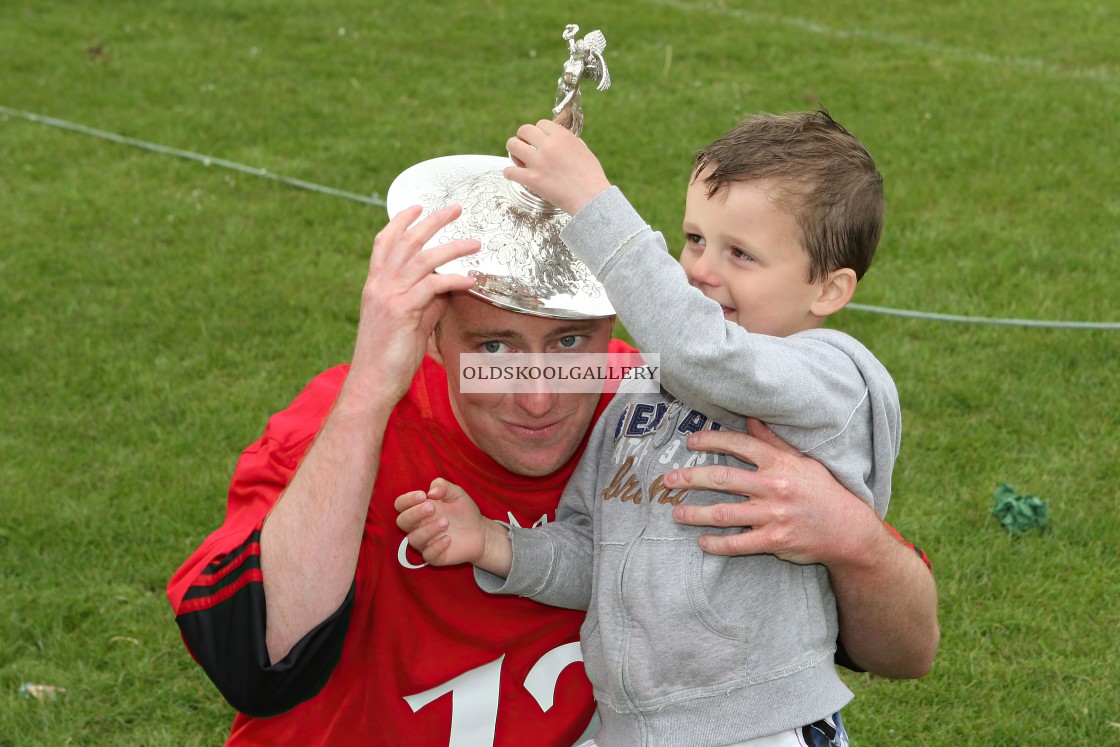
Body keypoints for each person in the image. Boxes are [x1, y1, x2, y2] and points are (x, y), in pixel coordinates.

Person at [167, 189, 938, 744]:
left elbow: (903, 650)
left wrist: (854, 539)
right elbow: (254, 663)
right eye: (493, 347)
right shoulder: (348, 423)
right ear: (433, 335)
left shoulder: (658, 404)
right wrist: (370, 391)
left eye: (570, 344)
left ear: (613, 324)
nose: (536, 395)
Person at [396, 111, 918, 746]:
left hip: (758, 726)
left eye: (741, 254)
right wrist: (493, 544)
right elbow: (600, 551)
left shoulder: (830, 379)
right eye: (694, 239)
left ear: (828, 291)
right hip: (635, 727)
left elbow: (701, 350)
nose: (699, 270)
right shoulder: (645, 392)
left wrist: (593, 206)